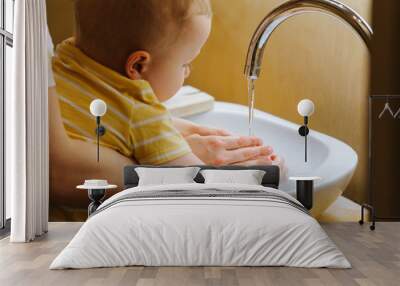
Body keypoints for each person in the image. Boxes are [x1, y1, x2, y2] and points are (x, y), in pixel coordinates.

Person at [48, 0, 283, 218]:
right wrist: (264, 178)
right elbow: (197, 187)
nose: (188, 72)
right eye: (185, 63)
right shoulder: (141, 114)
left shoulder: (59, 61)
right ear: (138, 65)